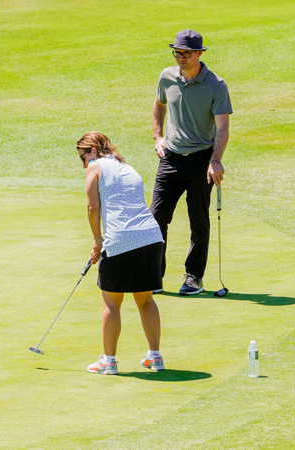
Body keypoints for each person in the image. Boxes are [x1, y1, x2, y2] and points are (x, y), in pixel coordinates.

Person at [76, 132, 166, 375]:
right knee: (145, 299)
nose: (83, 164)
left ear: (92, 150)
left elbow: (93, 208)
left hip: (121, 239)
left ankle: (108, 361)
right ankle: (154, 357)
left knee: (112, 302)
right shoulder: (127, 168)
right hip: (151, 236)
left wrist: (97, 240)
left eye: (82, 157)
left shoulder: (95, 167)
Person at [151, 29, 232, 295]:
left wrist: (216, 160)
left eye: (186, 53)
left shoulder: (216, 85)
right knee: (156, 217)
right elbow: (159, 104)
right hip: (171, 158)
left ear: (199, 53)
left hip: (201, 159)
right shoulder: (167, 77)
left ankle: (193, 277)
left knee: (198, 221)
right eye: (177, 52)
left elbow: (222, 127)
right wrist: (157, 136)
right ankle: (153, 276)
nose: (181, 58)